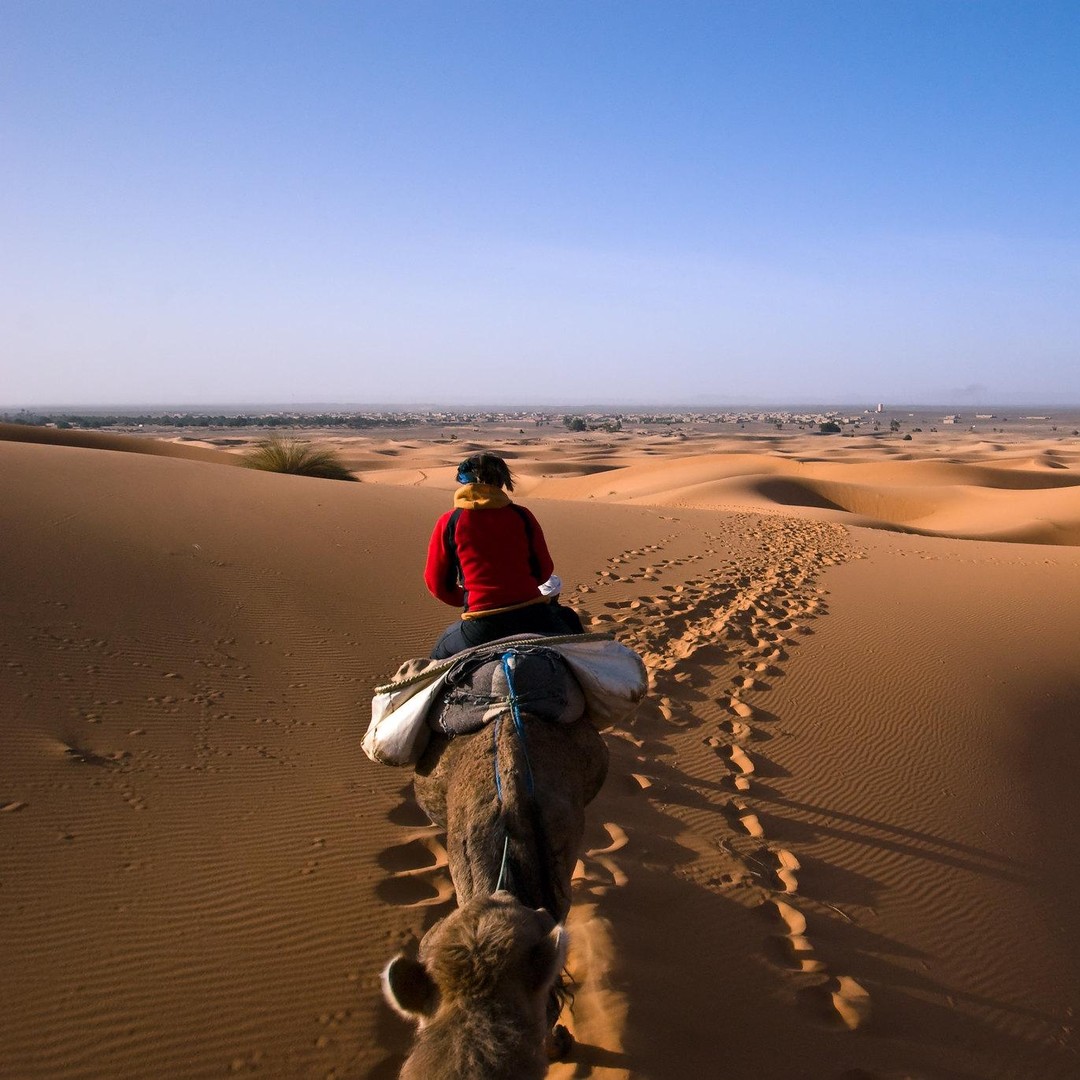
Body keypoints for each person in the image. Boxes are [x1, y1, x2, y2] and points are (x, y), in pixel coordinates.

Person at [425, 453, 582, 659]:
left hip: (482, 626)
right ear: (501, 481)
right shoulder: (522, 515)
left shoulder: (450, 521)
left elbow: (437, 584)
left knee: (435, 660)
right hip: (535, 617)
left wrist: (468, 596)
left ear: (463, 484)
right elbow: (544, 569)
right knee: (580, 648)